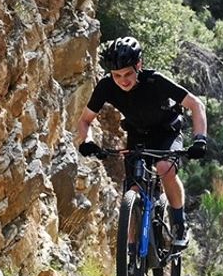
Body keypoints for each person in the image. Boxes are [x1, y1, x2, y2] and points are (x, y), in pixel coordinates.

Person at [75, 36, 209, 248]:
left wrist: (200, 139)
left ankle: (179, 223)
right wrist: (88, 141)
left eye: (128, 73)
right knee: (132, 191)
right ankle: (130, 250)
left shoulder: (155, 81)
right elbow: (85, 121)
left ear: (139, 65)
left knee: (165, 167)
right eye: (117, 75)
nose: (123, 80)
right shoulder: (106, 86)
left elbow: (196, 105)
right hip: (138, 135)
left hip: (167, 132)